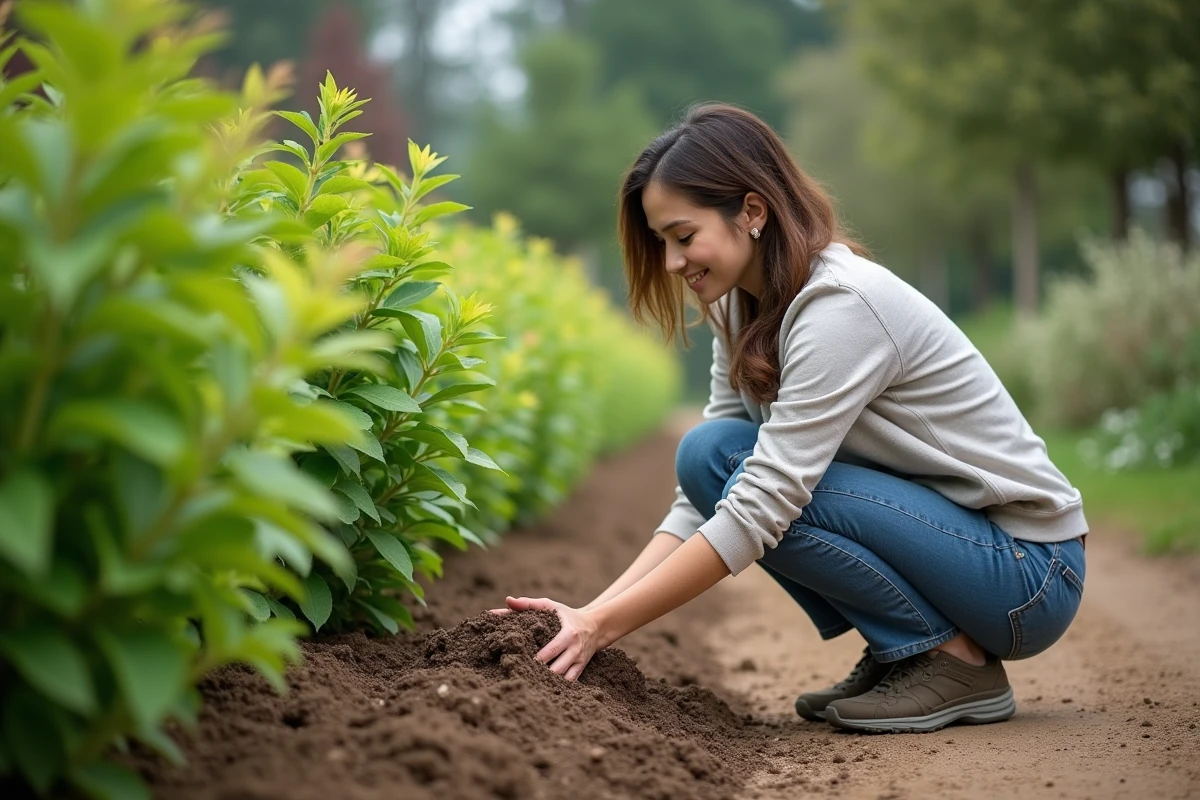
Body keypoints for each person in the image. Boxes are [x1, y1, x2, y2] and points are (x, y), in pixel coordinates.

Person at [491, 103, 1088, 734]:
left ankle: (949, 659)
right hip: (961, 548)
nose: (670, 263)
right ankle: (910, 652)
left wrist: (607, 627)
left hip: (1028, 574)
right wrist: (592, 611)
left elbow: (760, 503)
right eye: (661, 242)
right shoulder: (740, 307)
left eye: (683, 236)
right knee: (709, 454)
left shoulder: (840, 306)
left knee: (724, 460)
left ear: (752, 212)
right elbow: (705, 493)